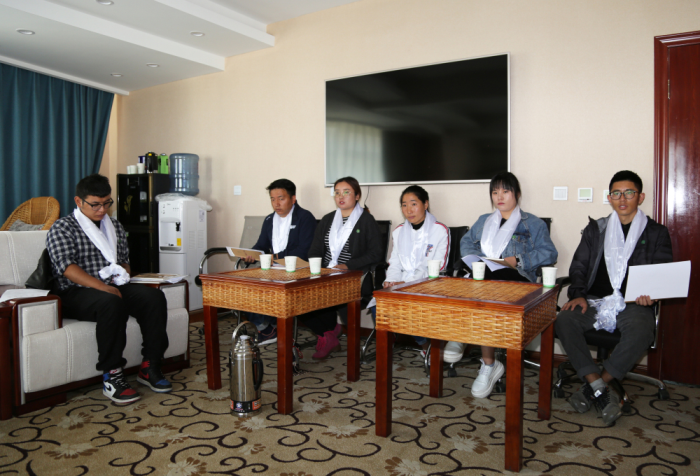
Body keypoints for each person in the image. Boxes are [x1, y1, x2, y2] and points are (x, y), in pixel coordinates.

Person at [555, 170, 672, 426]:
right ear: (609, 198)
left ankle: (594, 386)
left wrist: (652, 295)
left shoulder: (656, 232)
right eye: (616, 193)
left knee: (642, 330)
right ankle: (599, 386)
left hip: (633, 303)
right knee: (564, 320)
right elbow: (578, 267)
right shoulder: (596, 229)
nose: (622, 198)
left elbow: (662, 272)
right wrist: (578, 295)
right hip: (595, 300)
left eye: (629, 193)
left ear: (640, 197)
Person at [46, 174, 171, 404]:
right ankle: (112, 375)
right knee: (111, 302)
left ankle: (150, 366)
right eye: (95, 204)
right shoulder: (62, 227)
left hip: (112, 286)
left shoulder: (114, 225)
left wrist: (123, 273)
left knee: (153, 297)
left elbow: (123, 261)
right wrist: (103, 287)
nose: (102, 210)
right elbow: (67, 268)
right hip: (74, 292)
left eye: (106, 203)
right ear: (78, 201)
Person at [449, 172, 558, 398]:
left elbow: (549, 253)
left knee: (483, 291)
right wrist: (481, 261)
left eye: (505, 191)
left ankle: (473, 348)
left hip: (517, 280)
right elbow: (466, 244)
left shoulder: (533, 223)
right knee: (474, 289)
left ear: (517, 194)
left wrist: (517, 260)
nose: (499, 197)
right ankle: (487, 361)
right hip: (486, 279)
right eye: (495, 192)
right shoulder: (483, 221)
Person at [304, 176, 383, 359]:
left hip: (354, 276)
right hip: (326, 273)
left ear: (357, 196)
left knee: (332, 295)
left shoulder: (366, 220)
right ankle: (327, 334)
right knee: (299, 300)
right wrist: (318, 269)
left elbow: (376, 253)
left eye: (346, 192)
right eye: (337, 193)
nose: (341, 196)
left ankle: (330, 334)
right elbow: (315, 250)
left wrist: (347, 265)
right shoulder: (327, 219)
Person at [379, 185, 450, 358]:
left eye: (413, 204)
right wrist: (391, 281)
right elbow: (394, 262)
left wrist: (407, 284)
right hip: (400, 284)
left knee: (410, 306)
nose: (408, 210)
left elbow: (438, 266)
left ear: (425, 204)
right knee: (379, 307)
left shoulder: (440, 230)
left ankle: (431, 346)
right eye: (404, 205)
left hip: (429, 284)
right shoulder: (398, 232)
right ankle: (424, 344)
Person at [243, 179, 316, 344]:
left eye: (281, 198)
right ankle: (266, 329)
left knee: (265, 288)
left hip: (297, 270)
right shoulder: (269, 219)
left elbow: (304, 251)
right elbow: (261, 245)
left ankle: (274, 326)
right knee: (244, 286)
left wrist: (274, 258)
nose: (276, 203)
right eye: (272, 199)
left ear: (293, 199)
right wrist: (251, 254)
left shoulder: (305, 217)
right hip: (273, 270)